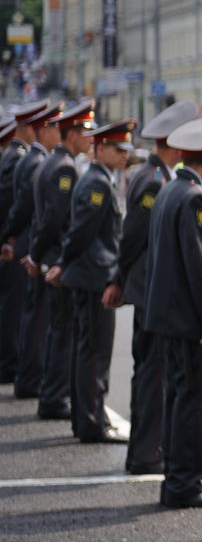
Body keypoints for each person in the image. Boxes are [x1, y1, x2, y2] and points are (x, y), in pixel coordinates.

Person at [145, 117, 202, 510]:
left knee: (178, 397)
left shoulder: (170, 189)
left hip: (166, 314)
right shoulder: (196, 197)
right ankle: (186, 482)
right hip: (188, 318)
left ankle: (175, 478)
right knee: (193, 402)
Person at [109, 100, 199, 474]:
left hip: (145, 285)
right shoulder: (155, 181)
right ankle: (146, 453)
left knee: (150, 370)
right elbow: (132, 237)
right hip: (149, 286)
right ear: (177, 146)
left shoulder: (152, 175)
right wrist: (118, 278)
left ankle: (145, 449)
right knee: (154, 374)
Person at [53, 119, 136, 444]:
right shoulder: (98, 184)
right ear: (100, 148)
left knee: (88, 350)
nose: (125, 155)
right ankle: (90, 422)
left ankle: (88, 417)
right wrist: (65, 263)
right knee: (94, 353)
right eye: (119, 149)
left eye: (127, 149)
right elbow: (81, 234)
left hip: (88, 274)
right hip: (93, 277)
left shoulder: (100, 179)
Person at [28, 100, 95, 420]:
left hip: (51, 257)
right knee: (64, 331)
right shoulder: (65, 168)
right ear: (72, 135)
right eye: (86, 131)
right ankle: (55, 396)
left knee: (58, 330)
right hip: (60, 261)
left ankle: (53, 393)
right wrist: (40, 255)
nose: (90, 138)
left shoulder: (50, 162)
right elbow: (55, 220)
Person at [0, 101, 62, 399]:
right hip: (28, 239)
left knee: (28, 311)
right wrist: (10, 236)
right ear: (42, 131)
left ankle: (24, 373)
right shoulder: (35, 162)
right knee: (33, 313)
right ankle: (26, 375)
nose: (59, 133)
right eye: (56, 128)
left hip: (24, 238)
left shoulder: (31, 159)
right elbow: (22, 207)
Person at [0, 116, 20, 382]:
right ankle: (8, 364)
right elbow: (13, 204)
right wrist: (9, 236)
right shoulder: (16, 157)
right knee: (13, 307)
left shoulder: (11, 156)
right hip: (13, 242)